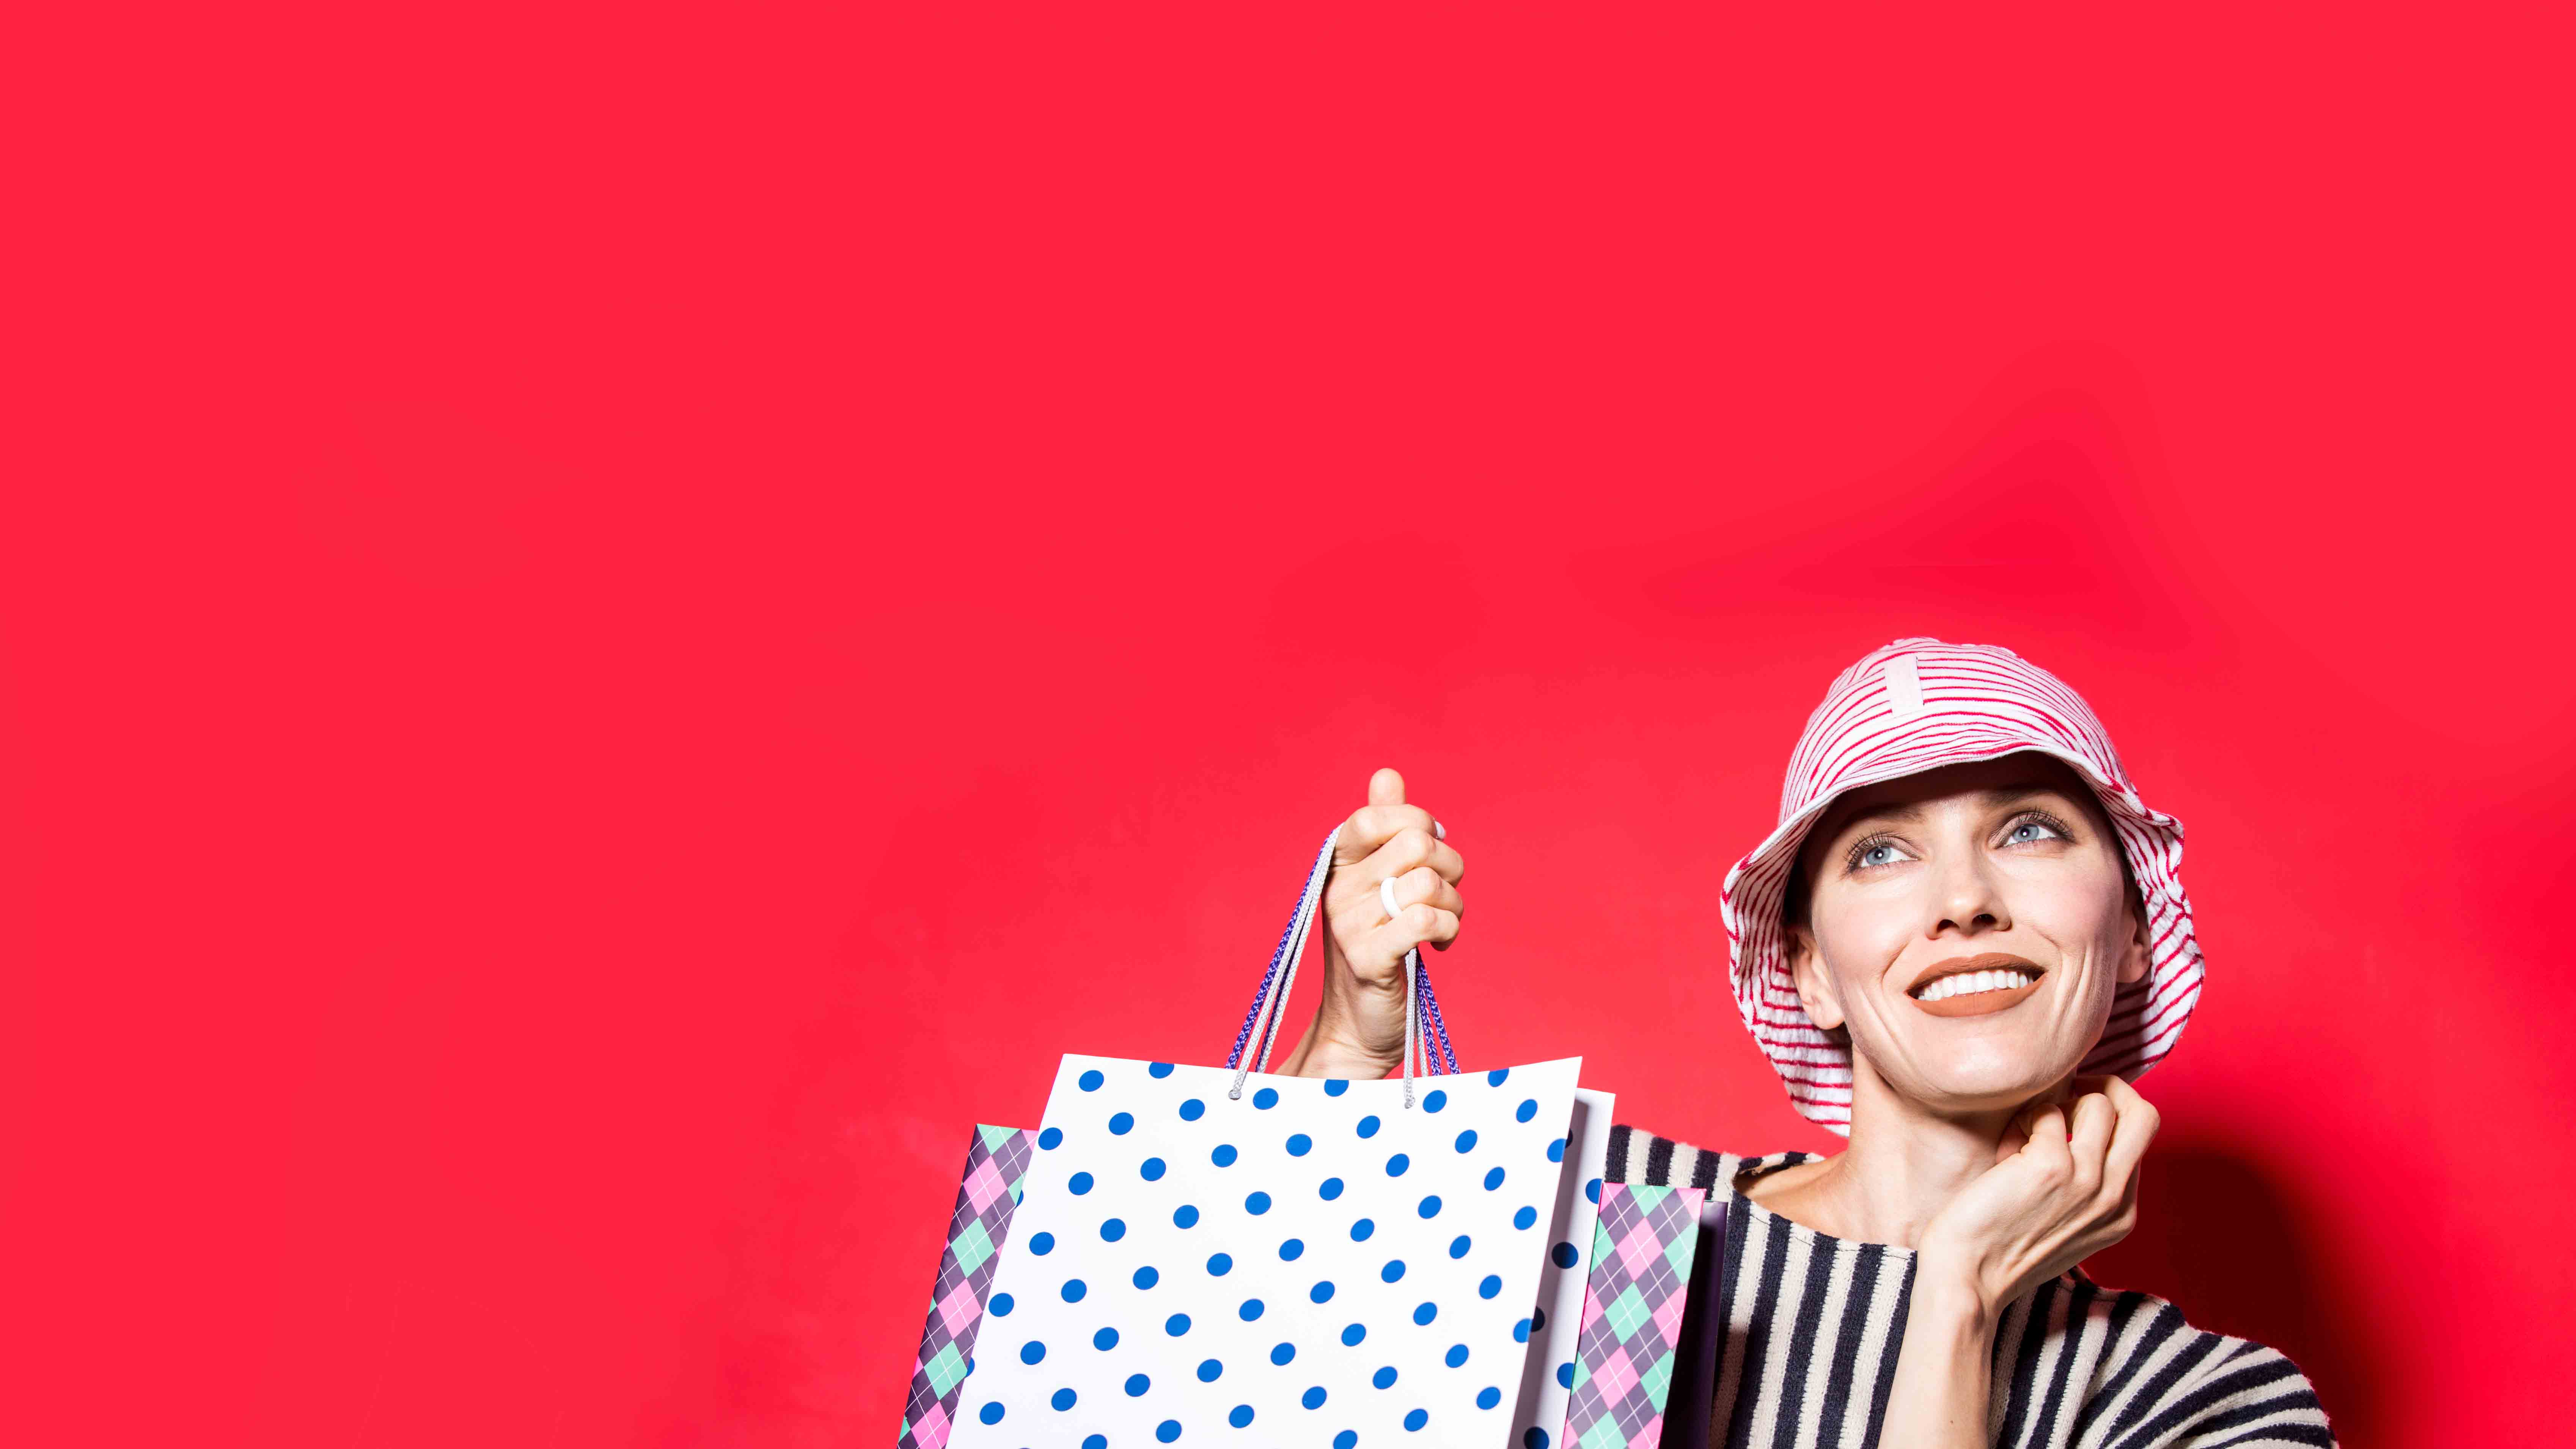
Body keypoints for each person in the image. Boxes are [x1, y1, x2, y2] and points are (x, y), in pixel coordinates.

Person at [1271, 638, 2336, 1448]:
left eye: (2028, 829)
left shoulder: (2199, 1405)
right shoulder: (1602, 1209)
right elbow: (1287, 1357)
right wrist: (1354, 1047)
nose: (1964, 899)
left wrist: (1955, 1296)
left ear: (2138, 929)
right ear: (1809, 966)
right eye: (1881, 850)